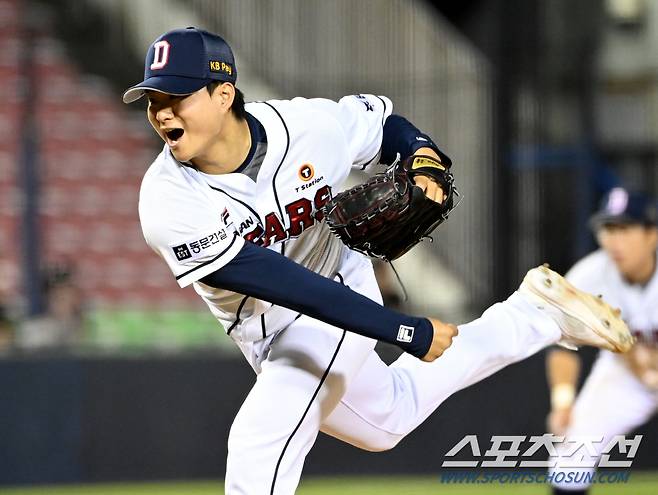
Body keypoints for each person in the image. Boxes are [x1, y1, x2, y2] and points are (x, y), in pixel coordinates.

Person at [123, 27, 632, 495]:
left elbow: (383, 123)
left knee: (260, 438)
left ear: (223, 94)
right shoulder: (168, 201)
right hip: (276, 323)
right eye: (152, 99)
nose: (161, 112)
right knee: (387, 419)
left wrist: (421, 151)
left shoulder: (305, 126)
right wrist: (401, 330)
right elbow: (281, 283)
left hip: (340, 284)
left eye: (175, 97)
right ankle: (534, 315)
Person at [546, 187, 657, 495]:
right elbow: (562, 344)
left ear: (652, 235)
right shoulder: (590, 275)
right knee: (570, 455)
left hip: (643, 364)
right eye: (608, 229)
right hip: (625, 375)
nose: (614, 240)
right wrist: (563, 401)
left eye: (625, 229)